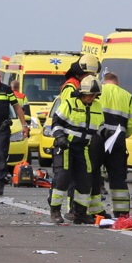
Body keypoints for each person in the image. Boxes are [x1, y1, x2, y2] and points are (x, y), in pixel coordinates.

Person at [47, 74, 103, 224]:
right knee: (62, 179)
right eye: (89, 95)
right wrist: (60, 137)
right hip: (65, 147)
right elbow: (56, 122)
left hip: (83, 148)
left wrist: (106, 135)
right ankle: (55, 211)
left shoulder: (97, 107)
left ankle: (80, 213)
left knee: (85, 180)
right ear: (82, 93)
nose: (91, 98)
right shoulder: (70, 103)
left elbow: (100, 127)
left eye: (94, 95)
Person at [95, 72, 132, 217]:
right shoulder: (127, 95)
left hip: (98, 138)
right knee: (118, 177)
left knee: (94, 174)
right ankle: (122, 212)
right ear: (117, 83)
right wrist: (123, 135)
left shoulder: (98, 91)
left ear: (104, 81)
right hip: (118, 141)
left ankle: (95, 211)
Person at [0, 66, 28, 196]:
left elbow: (17, 107)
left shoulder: (6, 90)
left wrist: (24, 125)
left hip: (2, 128)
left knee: (0, 154)